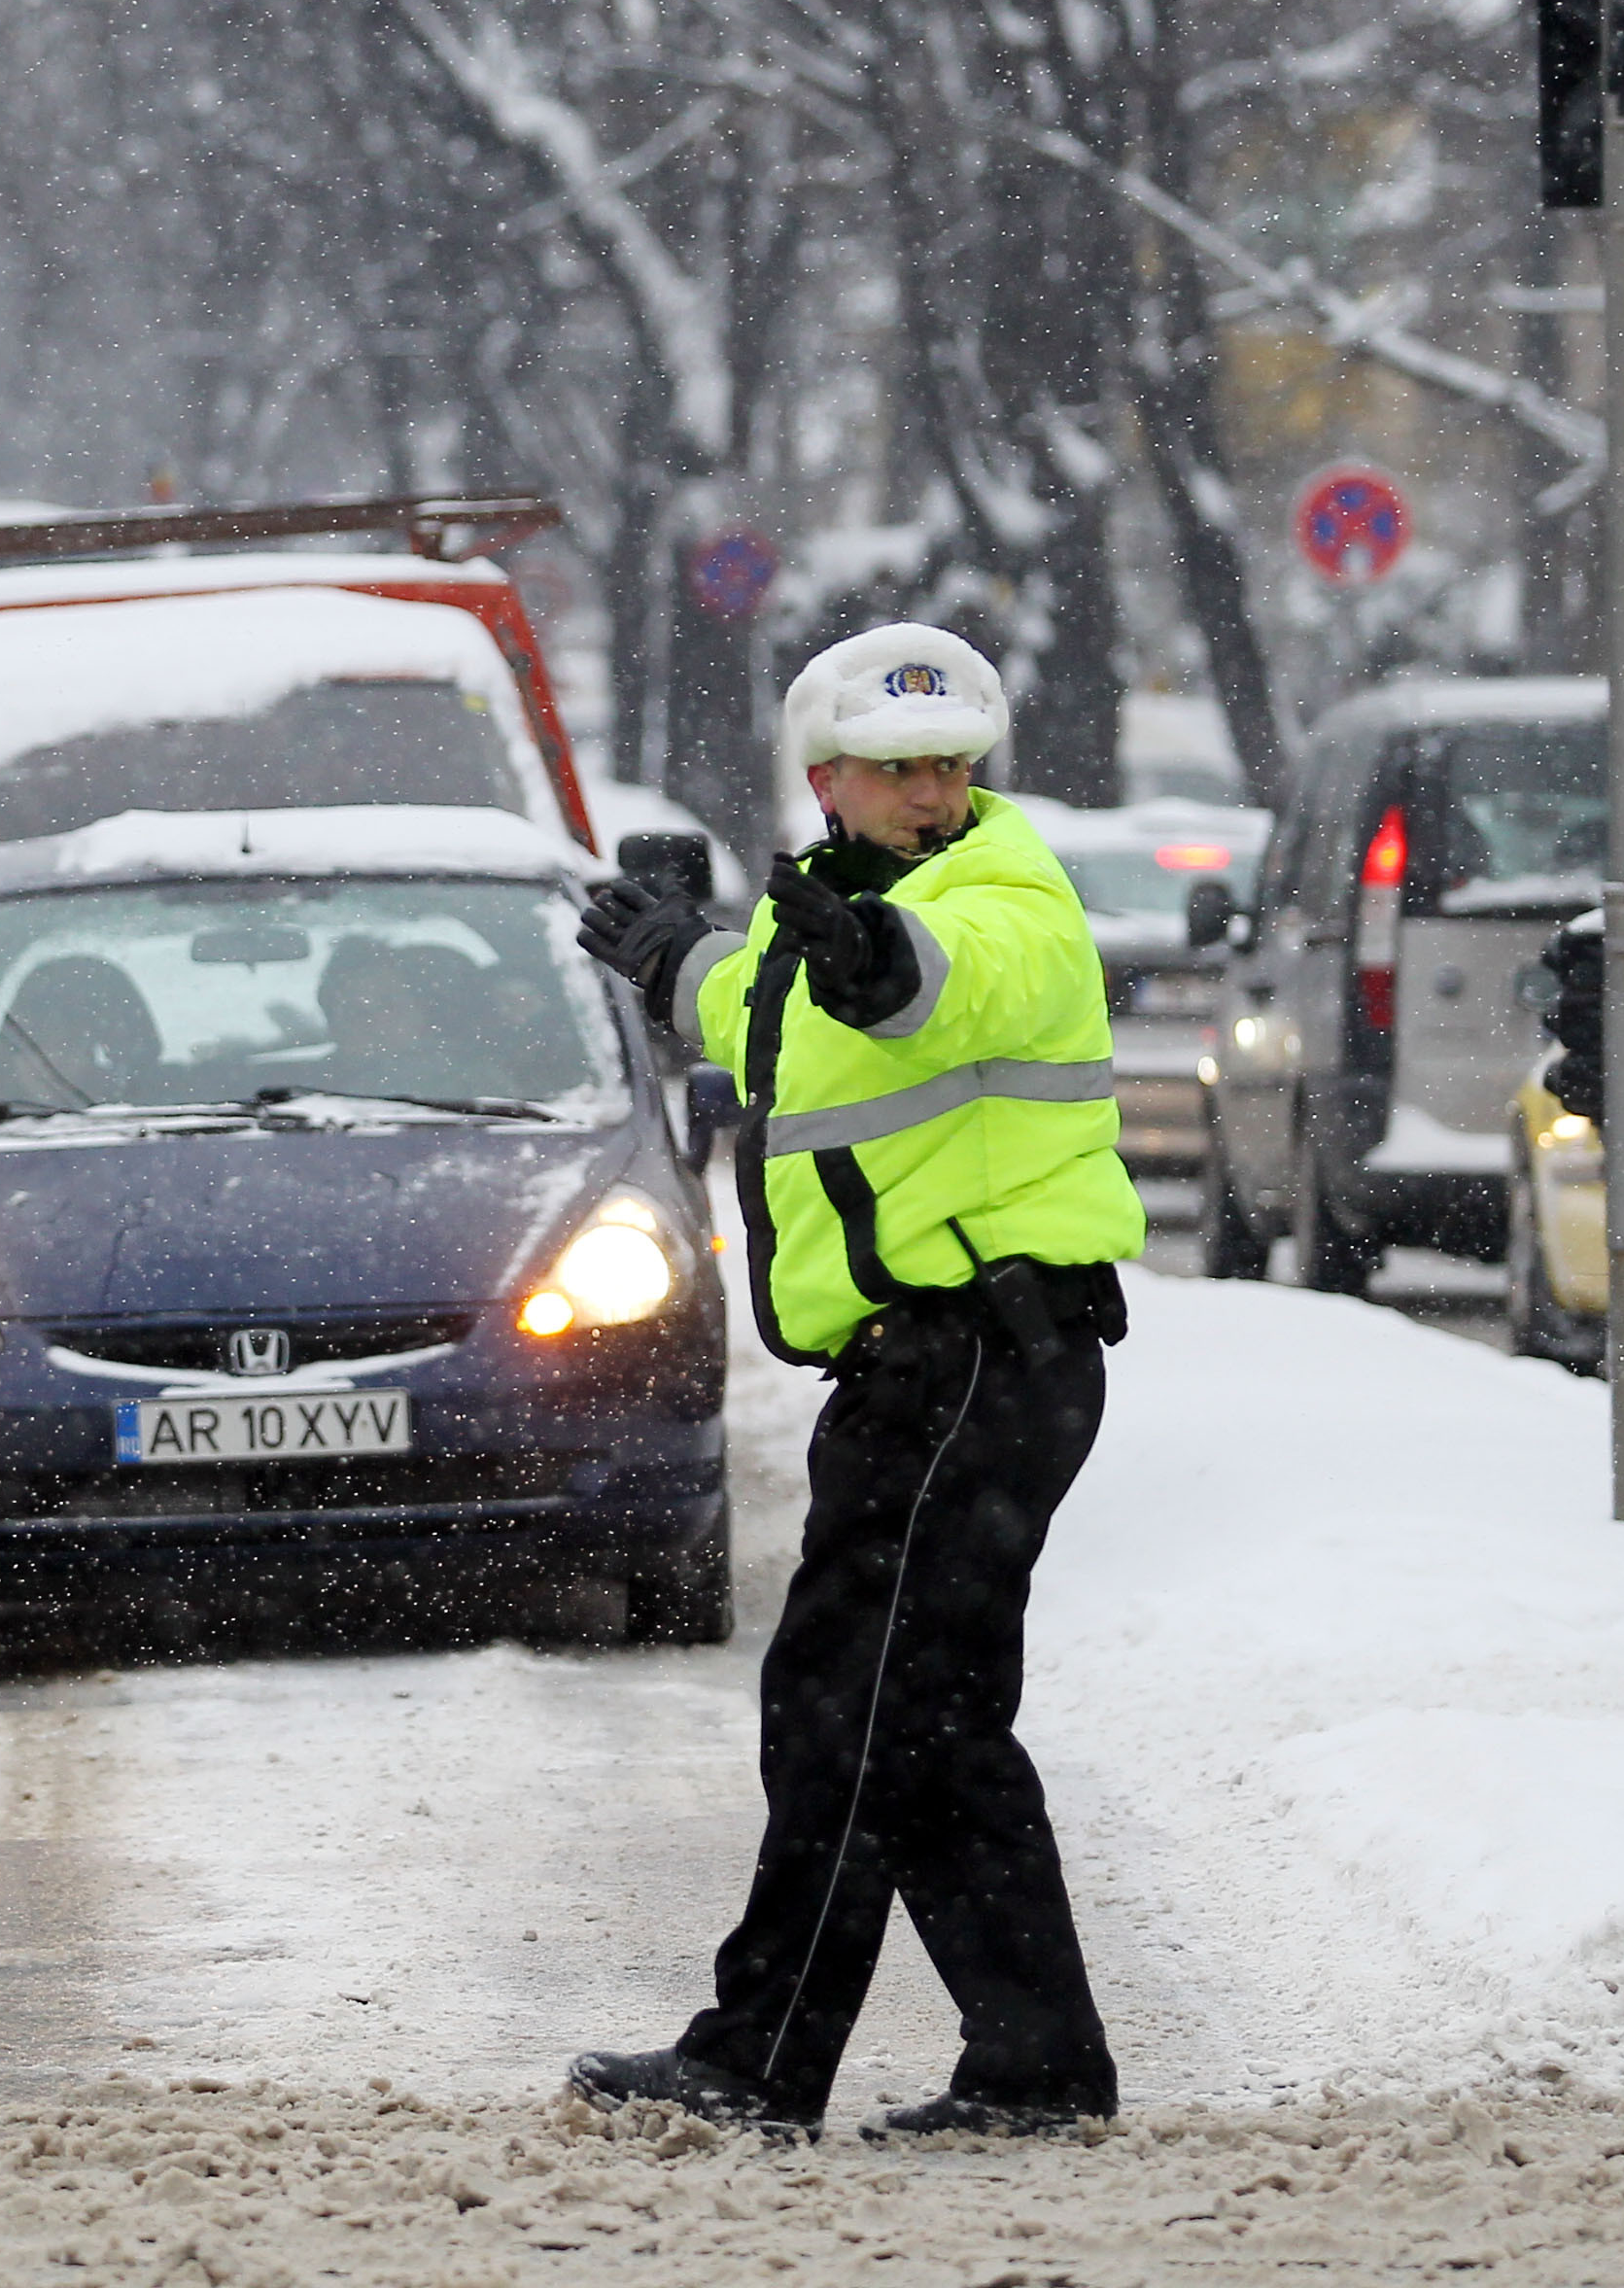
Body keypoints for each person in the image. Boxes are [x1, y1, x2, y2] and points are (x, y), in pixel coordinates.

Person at [566, 624, 1143, 2140]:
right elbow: (761, 1014)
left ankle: (759, 2060)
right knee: (930, 1723)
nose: (932, 792)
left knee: (850, 1709)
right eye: (897, 771)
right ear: (826, 777)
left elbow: (930, 990)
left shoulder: (1001, 895)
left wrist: (871, 953)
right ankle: (1038, 2069)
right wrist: (671, 951)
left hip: (978, 1360)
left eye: (950, 766)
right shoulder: (829, 910)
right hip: (932, 1372)